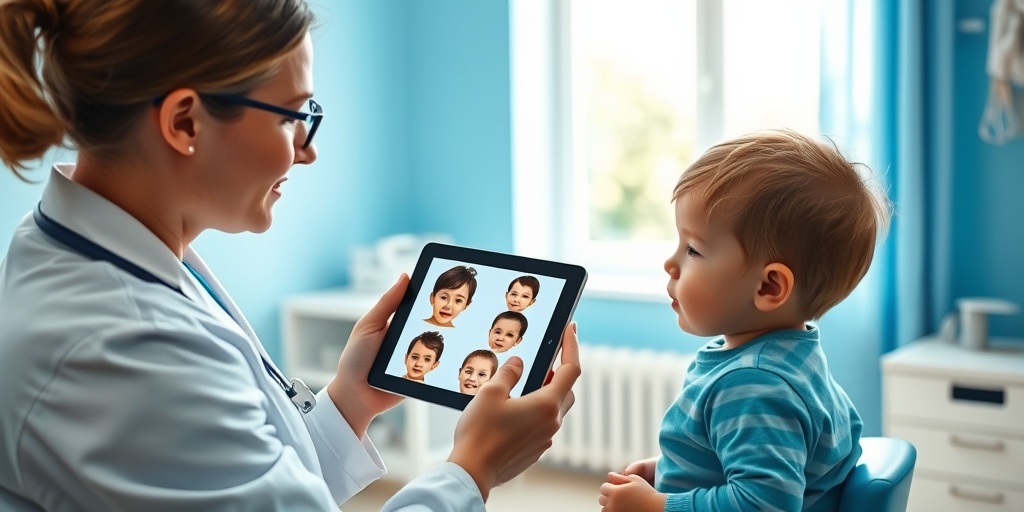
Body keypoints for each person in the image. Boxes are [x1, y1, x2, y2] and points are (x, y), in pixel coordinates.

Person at [0, 1, 582, 511]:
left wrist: (350, 401)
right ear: (185, 122)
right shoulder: (125, 351)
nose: (308, 151)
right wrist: (473, 468)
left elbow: (245, 487)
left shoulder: (108, 250)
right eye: (292, 116)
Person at [598, 129, 892, 512]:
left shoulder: (753, 386)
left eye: (693, 250)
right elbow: (770, 460)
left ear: (769, 287)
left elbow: (763, 504)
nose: (671, 263)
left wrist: (655, 505)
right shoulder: (796, 358)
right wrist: (669, 469)